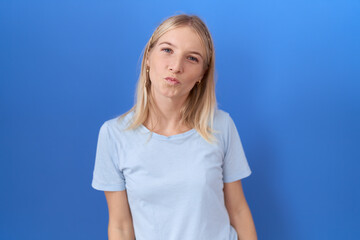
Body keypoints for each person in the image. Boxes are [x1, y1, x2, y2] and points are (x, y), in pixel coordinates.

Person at [91, 13, 257, 240]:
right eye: (167, 50)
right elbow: (120, 226)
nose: (176, 66)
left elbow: (238, 210)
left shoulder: (221, 126)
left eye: (192, 58)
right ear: (148, 57)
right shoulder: (113, 134)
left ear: (202, 74)